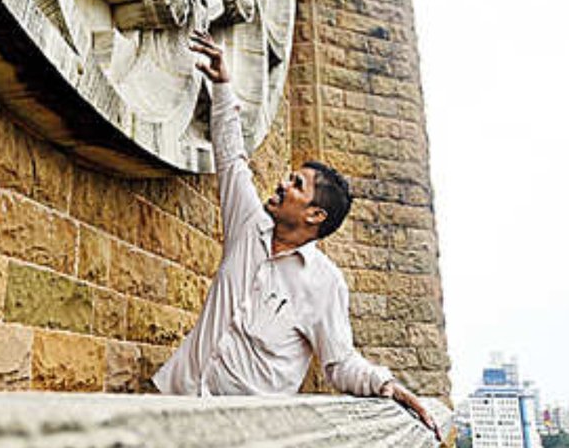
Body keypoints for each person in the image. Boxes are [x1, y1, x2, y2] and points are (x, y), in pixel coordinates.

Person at [152, 30, 439, 439]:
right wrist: (222, 85)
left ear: (315, 215)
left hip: (246, 434)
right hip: (176, 410)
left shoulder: (324, 283)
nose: (284, 185)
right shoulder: (248, 225)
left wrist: (385, 385)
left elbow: (339, 363)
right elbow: (232, 157)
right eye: (291, 178)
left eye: (297, 185)